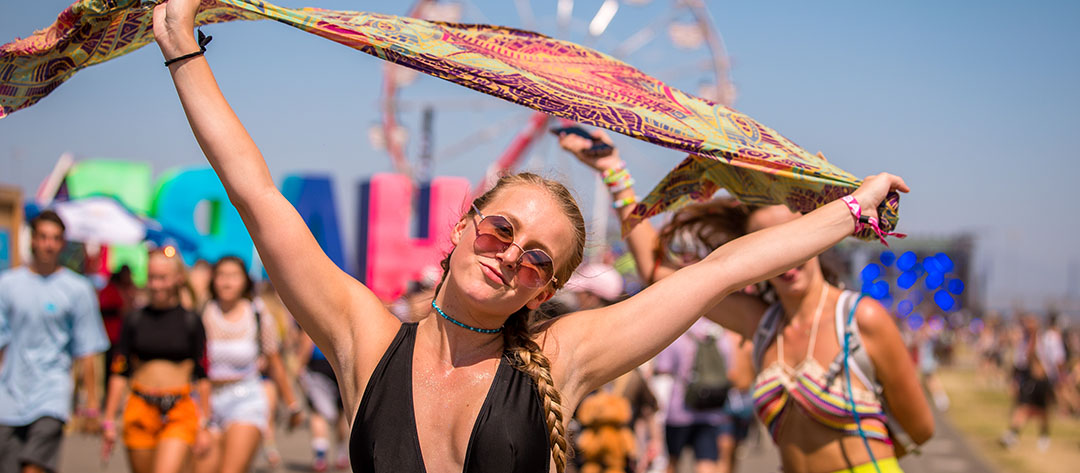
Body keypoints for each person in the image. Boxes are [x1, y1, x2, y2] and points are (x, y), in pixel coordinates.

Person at [151, 1, 910, 471]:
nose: (511, 254)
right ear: (461, 227)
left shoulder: (561, 357)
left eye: (537, 257)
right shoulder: (364, 338)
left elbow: (712, 274)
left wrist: (852, 210)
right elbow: (256, 196)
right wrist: (183, 48)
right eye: (501, 229)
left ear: (546, 289)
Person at [560, 131, 933, 473]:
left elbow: (920, 428)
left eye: (790, 240)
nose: (785, 259)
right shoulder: (763, 325)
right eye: (770, 249)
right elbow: (657, 272)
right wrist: (614, 171)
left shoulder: (858, 318)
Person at [0, 210, 110, 473]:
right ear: (32, 240)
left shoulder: (78, 289)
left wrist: (92, 405)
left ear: (62, 243)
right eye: (43, 237)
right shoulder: (8, 284)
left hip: (52, 392)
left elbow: (87, 349)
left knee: (33, 468)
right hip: (10, 395)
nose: (48, 244)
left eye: (55, 238)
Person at [100, 248, 212, 473]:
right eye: (152, 278)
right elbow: (121, 370)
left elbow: (202, 373)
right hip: (140, 408)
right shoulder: (134, 319)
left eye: (162, 278)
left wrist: (205, 423)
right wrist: (109, 419)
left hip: (178, 410)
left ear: (178, 279)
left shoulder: (191, 321)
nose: (156, 285)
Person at [195, 256, 302, 473]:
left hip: (246, 399)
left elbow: (274, 361)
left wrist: (292, 404)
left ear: (244, 280)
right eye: (222, 276)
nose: (227, 282)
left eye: (234, 276)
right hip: (206, 402)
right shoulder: (204, 312)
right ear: (213, 279)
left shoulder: (257, 313)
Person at [654, 319, 735, 473]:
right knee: (707, 463)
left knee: (671, 461)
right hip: (711, 410)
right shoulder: (719, 334)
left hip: (679, 410)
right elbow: (730, 368)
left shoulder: (676, 333)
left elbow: (664, 368)